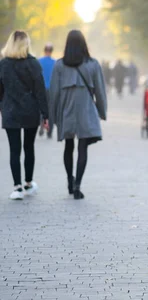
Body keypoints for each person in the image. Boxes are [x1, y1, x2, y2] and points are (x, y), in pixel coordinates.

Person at [49, 30, 107, 200]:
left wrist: (51, 117)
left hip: (67, 108)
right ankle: (77, 185)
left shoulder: (59, 65)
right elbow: (100, 92)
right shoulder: (93, 64)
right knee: (83, 147)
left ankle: (69, 181)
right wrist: (102, 112)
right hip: (86, 110)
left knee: (68, 146)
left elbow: (53, 93)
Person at [0, 31, 49, 200]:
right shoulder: (33, 63)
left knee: (14, 150)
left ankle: (17, 187)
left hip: (10, 111)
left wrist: (3, 108)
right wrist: (45, 114)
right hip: (30, 110)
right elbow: (40, 91)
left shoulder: (3, 64)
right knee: (29, 148)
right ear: (26, 44)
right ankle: (28, 183)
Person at [38, 43, 56, 138]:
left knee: (42, 108)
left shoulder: (39, 61)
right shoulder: (55, 62)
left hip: (41, 88)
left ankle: (41, 124)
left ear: (44, 51)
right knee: (51, 110)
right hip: (52, 89)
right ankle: (49, 131)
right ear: (51, 51)